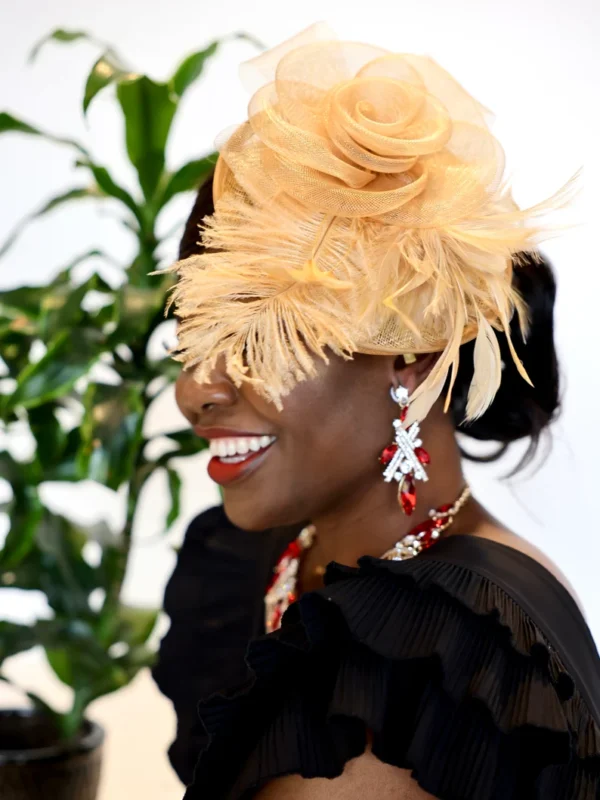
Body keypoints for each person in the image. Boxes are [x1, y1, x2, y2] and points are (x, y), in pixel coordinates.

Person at [151, 25, 600, 800]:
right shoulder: (264, 558)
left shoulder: (440, 656)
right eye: (196, 325)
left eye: (256, 323)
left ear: (410, 345)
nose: (198, 388)